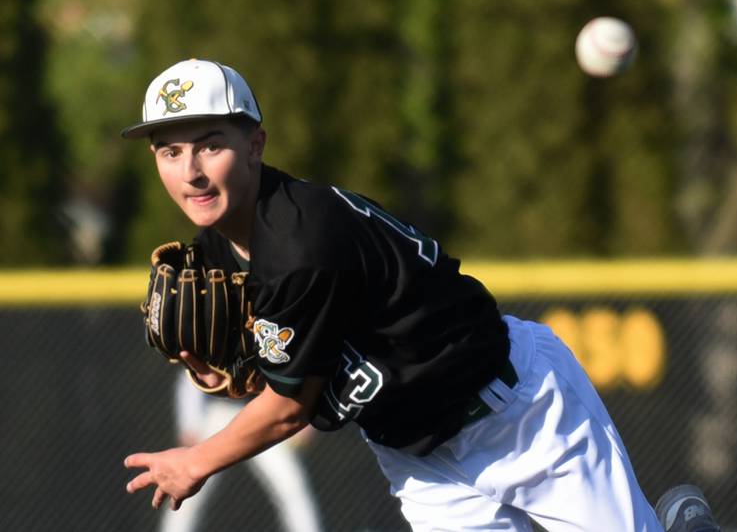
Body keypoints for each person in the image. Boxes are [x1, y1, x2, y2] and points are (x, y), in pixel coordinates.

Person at [120, 58, 695, 531]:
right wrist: (231, 371)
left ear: (255, 144)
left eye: (209, 144)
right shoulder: (216, 253)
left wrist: (197, 459)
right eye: (170, 151)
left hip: (519, 417)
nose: (191, 170)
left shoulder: (299, 239)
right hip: (422, 463)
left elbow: (288, 409)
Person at [158, 373, 322, 532]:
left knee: (292, 487)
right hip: (220, 415)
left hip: (264, 417)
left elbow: (294, 371)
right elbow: (191, 376)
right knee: (187, 487)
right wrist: (190, 424)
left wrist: (303, 413)